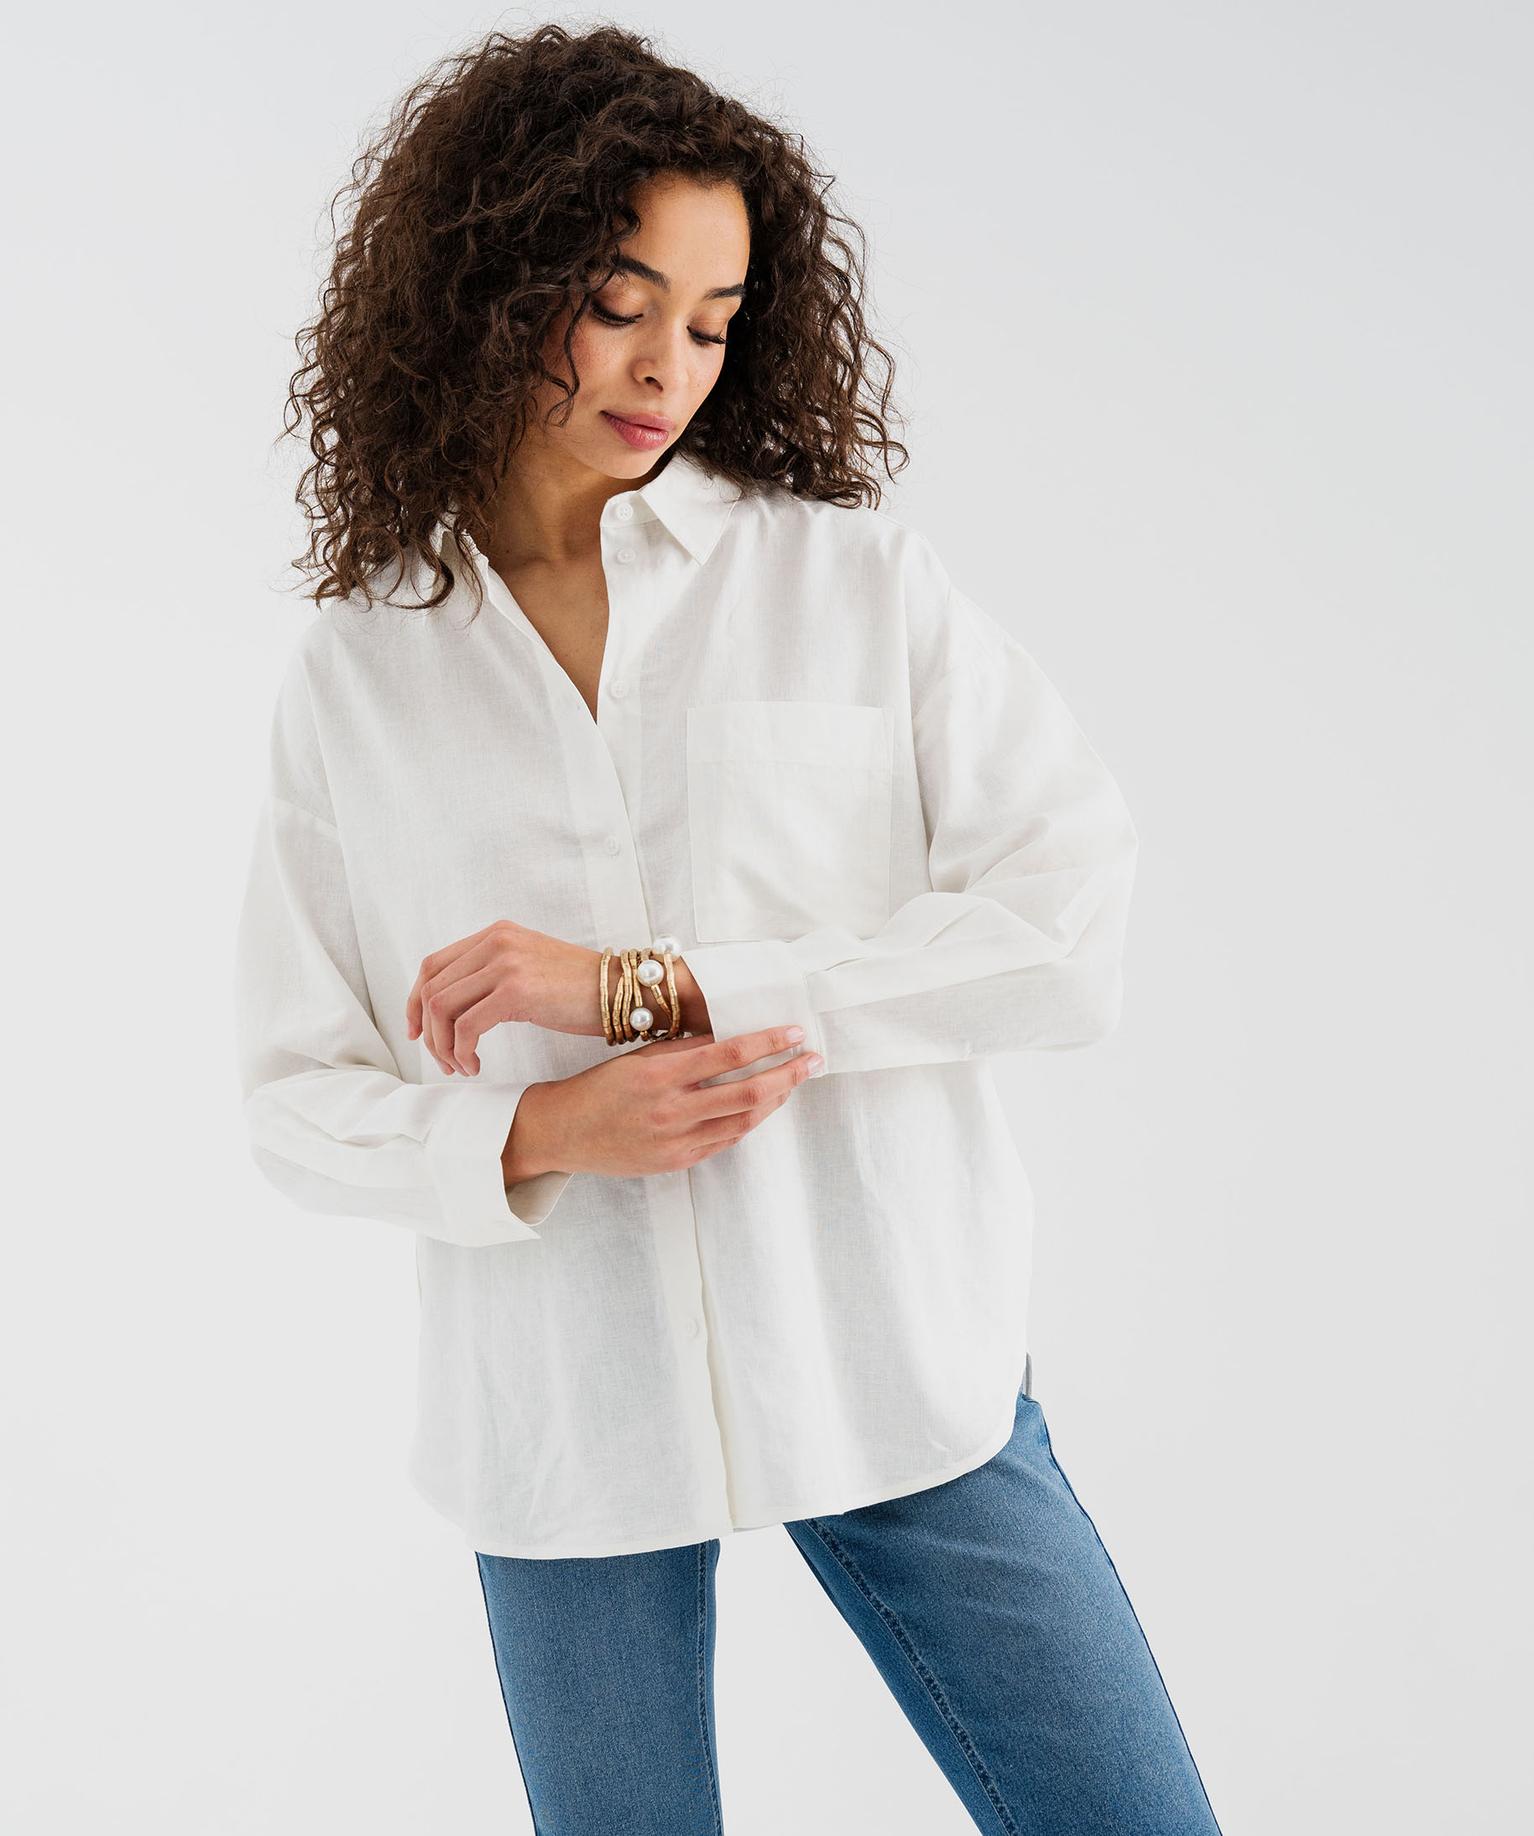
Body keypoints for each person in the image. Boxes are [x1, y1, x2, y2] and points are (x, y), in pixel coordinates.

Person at [234, 22, 1224, 1835]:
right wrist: (540, 1128)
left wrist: (656, 988)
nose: (666, 368)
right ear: (490, 282)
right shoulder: (362, 671)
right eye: (620, 304)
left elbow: (1064, 926)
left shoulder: (847, 587)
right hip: (565, 1416)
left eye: (711, 319)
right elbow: (295, 1092)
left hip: (893, 1357)